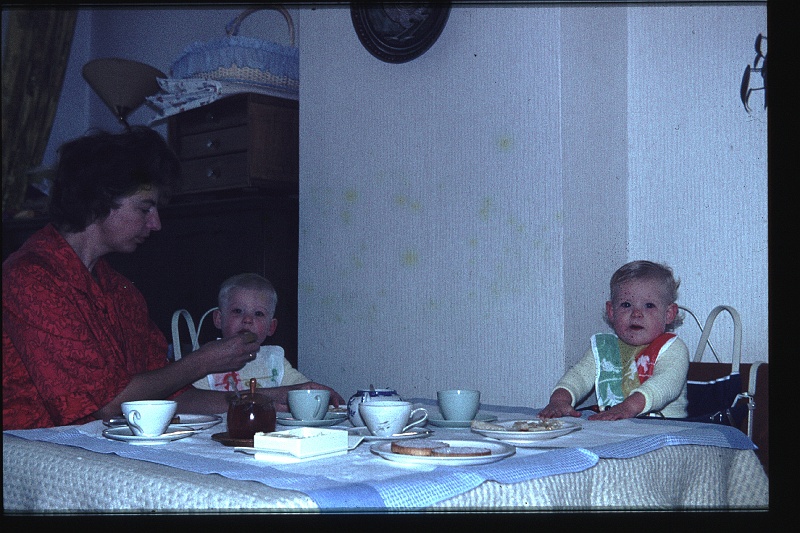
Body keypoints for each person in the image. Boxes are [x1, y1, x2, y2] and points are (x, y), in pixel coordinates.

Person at [3, 128, 312, 430]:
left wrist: (274, 397)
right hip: (31, 454)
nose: (156, 223)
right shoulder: (31, 279)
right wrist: (201, 361)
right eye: (144, 208)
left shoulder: (121, 292)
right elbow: (107, 404)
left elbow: (173, 396)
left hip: (98, 449)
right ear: (99, 200)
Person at [538, 260, 689, 421]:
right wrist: (560, 401)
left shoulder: (672, 348)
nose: (636, 313)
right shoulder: (605, 348)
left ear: (669, 314)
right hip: (617, 427)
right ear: (611, 311)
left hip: (665, 428)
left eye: (649, 305)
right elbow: (579, 376)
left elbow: (666, 384)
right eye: (626, 304)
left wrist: (628, 407)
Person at [191, 273, 343, 405]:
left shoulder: (274, 360)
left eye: (258, 314)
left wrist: (320, 394)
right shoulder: (208, 359)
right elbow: (191, 403)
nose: (248, 319)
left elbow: (302, 389)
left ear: (271, 327)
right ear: (218, 319)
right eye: (237, 311)